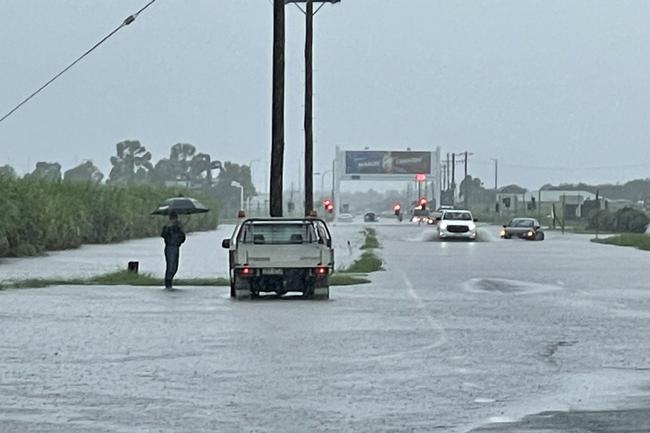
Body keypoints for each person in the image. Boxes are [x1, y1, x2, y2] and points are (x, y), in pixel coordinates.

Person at [161, 212, 186, 289]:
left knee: (175, 267)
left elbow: (183, 238)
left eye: (175, 218)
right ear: (170, 219)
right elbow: (163, 235)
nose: (174, 220)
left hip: (176, 247)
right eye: (173, 218)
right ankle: (168, 283)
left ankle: (169, 281)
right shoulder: (167, 227)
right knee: (170, 266)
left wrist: (180, 229)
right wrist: (168, 227)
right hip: (169, 247)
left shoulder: (178, 228)